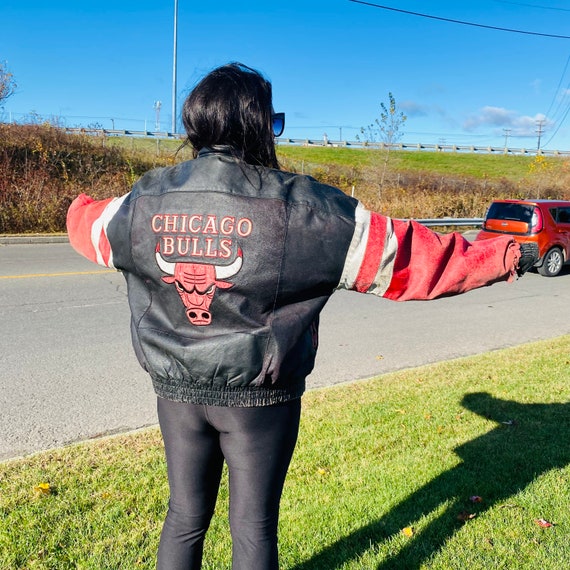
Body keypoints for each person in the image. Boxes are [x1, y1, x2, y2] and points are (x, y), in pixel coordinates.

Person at [66, 62, 537, 570]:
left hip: (175, 393)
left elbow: (85, 225)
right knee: (252, 531)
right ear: (258, 124)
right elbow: (408, 260)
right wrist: (503, 255)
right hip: (260, 400)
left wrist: (77, 203)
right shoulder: (307, 209)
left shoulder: (144, 200)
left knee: (183, 517)